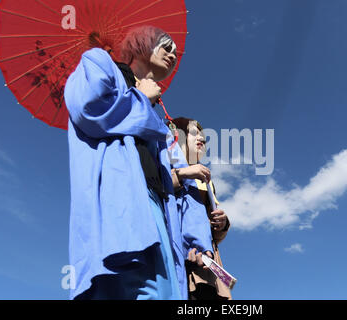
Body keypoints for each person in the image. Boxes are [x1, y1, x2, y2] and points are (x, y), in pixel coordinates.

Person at [64, 25, 213, 300]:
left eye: (175, 51)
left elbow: (159, 174)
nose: (172, 53)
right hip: (123, 202)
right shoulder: (99, 63)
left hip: (158, 210)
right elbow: (89, 108)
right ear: (142, 45)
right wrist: (140, 98)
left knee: (163, 292)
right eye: (164, 45)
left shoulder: (157, 117)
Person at [169, 117, 232, 300]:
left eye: (204, 137)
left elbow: (215, 234)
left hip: (208, 265)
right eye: (194, 134)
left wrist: (222, 224)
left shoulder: (205, 180)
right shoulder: (164, 165)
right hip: (178, 258)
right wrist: (180, 175)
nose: (202, 140)